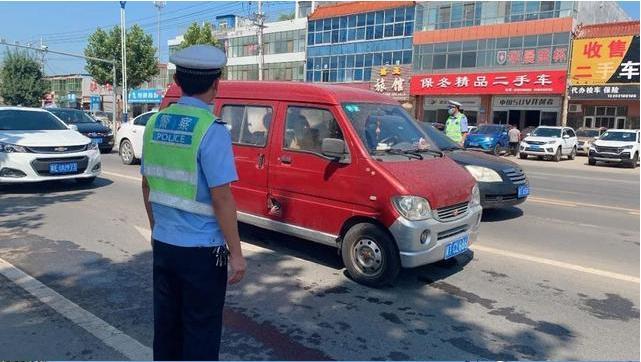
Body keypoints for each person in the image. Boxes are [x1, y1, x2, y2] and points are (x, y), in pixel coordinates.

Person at [141, 45, 246, 361]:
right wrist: (237, 255)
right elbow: (222, 198)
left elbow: (146, 185)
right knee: (201, 332)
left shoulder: (155, 124)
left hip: (164, 246)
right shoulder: (211, 131)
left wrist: (156, 229)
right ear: (217, 84)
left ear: (176, 79)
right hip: (205, 252)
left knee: (167, 330)